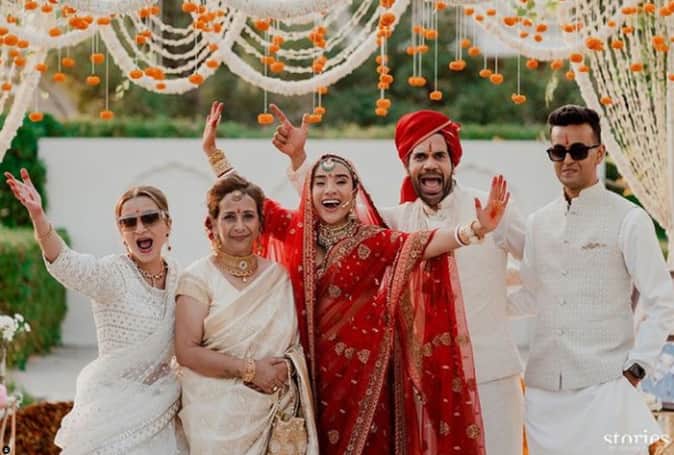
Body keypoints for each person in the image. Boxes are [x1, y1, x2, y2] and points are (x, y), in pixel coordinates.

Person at [201, 101, 511, 455]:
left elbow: (423, 243)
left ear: (354, 193)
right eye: (320, 182)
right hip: (308, 375)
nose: (330, 189)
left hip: (366, 380)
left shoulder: (372, 240)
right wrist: (213, 153)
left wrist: (475, 229)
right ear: (309, 192)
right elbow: (249, 200)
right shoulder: (295, 231)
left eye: (340, 182)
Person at [508, 105, 674, 455]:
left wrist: (638, 366)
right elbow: (533, 296)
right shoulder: (538, 222)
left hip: (605, 386)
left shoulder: (629, 219)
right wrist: (472, 301)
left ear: (599, 153)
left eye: (579, 151)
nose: (567, 160)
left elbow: (663, 300)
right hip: (544, 394)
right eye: (558, 151)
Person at [4, 169, 187, 454]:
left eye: (149, 218)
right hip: (113, 413)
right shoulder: (112, 273)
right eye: (129, 222)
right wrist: (38, 217)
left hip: (165, 409)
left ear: (167, 224)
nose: (140, 229)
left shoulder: (181, 278)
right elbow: (66, 263)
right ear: (121, 232)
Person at [174, 174, 319, 454]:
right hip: (215, 417)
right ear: (213, 224)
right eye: (229, 217)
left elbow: (295, 344)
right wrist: (251, 370)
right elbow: (186, 352)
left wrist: (287, 367)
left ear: (260, 224)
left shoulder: (278, 276)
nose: (239, 226)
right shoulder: (197, 278)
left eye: (248, 216)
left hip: (275, 408)